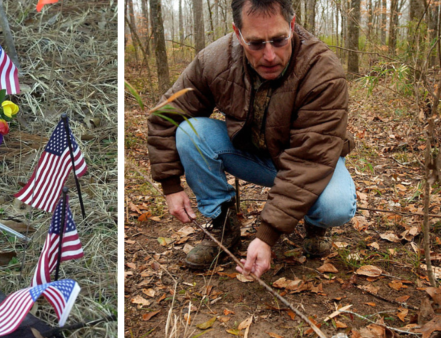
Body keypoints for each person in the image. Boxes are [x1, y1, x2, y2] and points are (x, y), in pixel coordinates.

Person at [146, 0, 356, 278]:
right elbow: (166, 114)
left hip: (314, 161)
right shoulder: (216, 60)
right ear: (238, 34)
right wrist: (170, 185)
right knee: (190, 131)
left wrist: (266, 236)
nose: (269, 55)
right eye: (256, 43)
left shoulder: (322, 70)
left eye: (279, 40)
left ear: (292, 26)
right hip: (254, 155)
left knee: (336, 206)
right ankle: (224, 225)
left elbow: (309, 160)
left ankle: (315, 222)